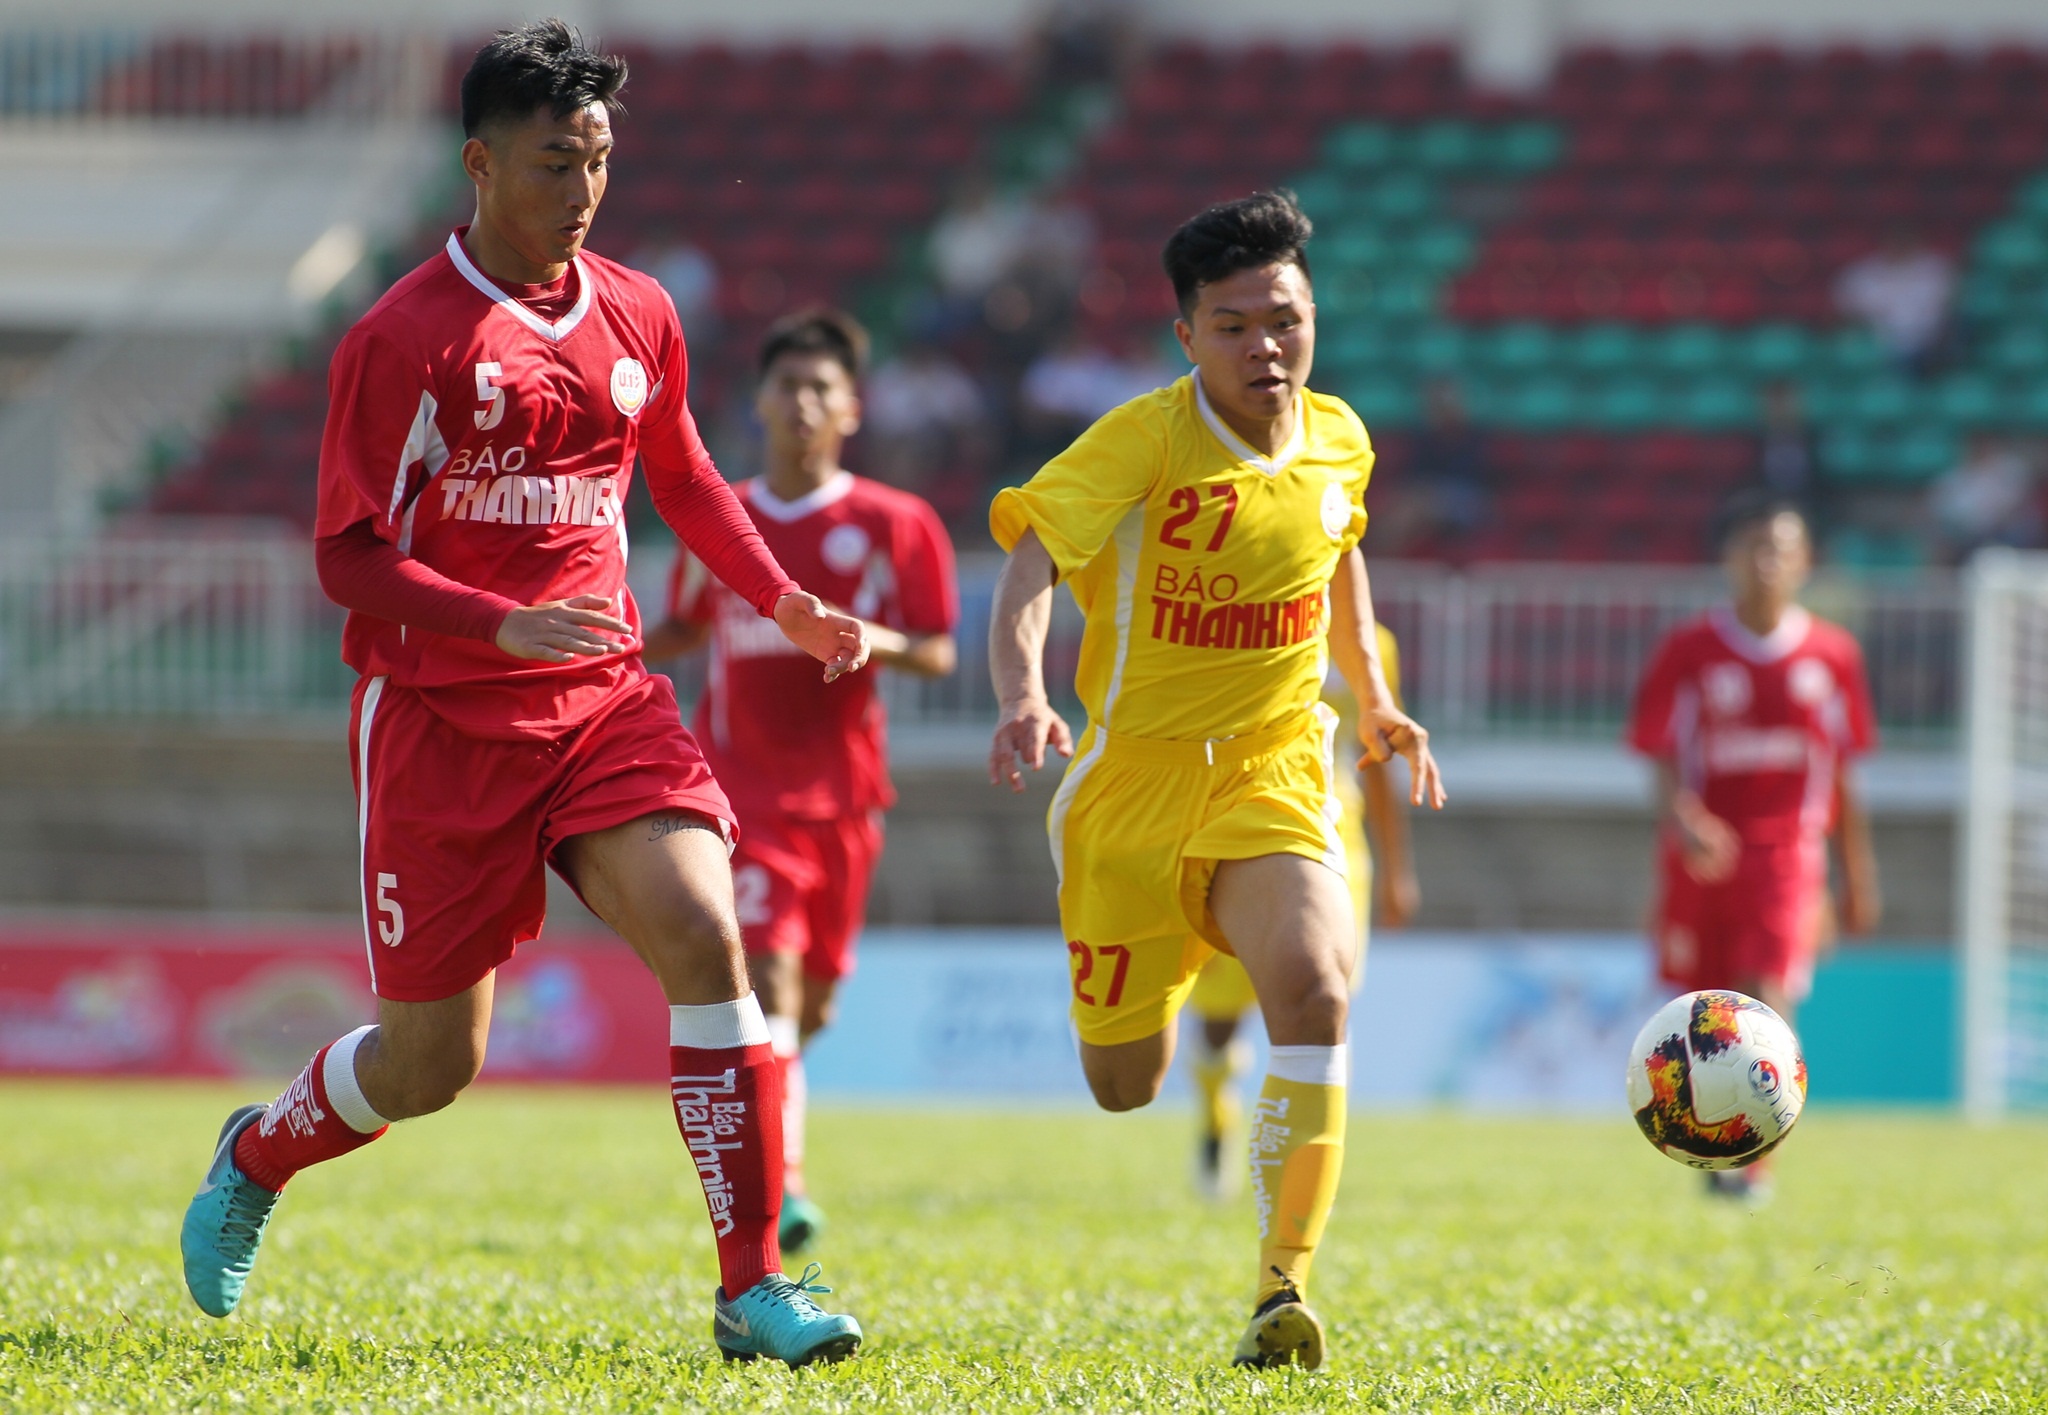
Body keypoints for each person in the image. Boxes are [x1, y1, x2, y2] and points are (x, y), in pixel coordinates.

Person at [176, 22, 869, 1368]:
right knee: (431, 1064)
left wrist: (778, 594)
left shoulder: (640, 309)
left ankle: (751, 1284)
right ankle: (258, 1150)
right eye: (559, 162)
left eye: (601, 160)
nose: (585, 189)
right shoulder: (401, 339)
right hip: (440, 723)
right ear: (481, 165)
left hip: (606, 698)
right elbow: (345, 555)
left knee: (707, 939)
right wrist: (499, 620)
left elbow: (684, 477)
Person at [985, 190, 1445, 1370]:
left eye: (1284, 318)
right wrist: (1023, 694)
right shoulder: (1138, 439)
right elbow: (1035, 557)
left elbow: (1338, 552)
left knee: (1316, 990)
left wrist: (1373, 694)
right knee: (1122, 1084)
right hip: (1130, 792)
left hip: (1274, 768)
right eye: (1233, 325)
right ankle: (1169, 988)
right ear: (1185, 335)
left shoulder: (1339, 436)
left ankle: (1278, 1291)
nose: (1266, 346)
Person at [643, 307, 959, 1254]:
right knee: (770, 980)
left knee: (810, 1004)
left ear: (851, 409)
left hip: (846, 797)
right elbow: (690, 627)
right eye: (787, 385)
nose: (802, 403)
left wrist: (876, 641)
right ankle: (779, 1184)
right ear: (761, 402)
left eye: (822, 387)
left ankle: (778, 1131)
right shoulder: (723, 520)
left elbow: (940, 651)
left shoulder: (895, 524)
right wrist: (595, 645)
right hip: (739, 790)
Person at [1625, 493, 1882, 1205]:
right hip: (1704, 850)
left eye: (1782, 547)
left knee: (1765, 993)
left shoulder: (1832, 654)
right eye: (1753, 546)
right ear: (1728, 557)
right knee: (1699, 1007)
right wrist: (1682, 816)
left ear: (1805, 561)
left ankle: (1753, 1159)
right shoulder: (1689, 648)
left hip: (1787, 851)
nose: (1767, 561)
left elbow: (1844, 774)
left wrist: (1856, 876)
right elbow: (1659, 750)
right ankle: (1707, 1140)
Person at [1185, 622, 1418, 1200]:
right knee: (1221, 1018)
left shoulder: (1373, 644)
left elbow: (1379, 756)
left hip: (1337, 840)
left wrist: (1397, 869)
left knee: (1323, 1000)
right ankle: (1216, 1114)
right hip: (1239, 833)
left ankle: (1306, 1166)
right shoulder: (1245, 615)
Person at [1833, 228, 1955, 376]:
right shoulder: (1860, 274)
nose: (1900, 246)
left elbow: (1951, 312)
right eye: (1895, 242)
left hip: (1931, 350)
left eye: (1904, 242)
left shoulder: (1939, 271)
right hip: (1875, 350)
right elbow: (1849, 317)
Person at [1927, 435, 2040, 564]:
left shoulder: (2011, 469)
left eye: (1984, 445)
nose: (1981, 449)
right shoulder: (1955, 477)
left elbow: (2016, 503)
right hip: (1967, 534)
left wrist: (1991, 523)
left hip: (2005, 530)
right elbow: (1944, 510)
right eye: (1976, 445)